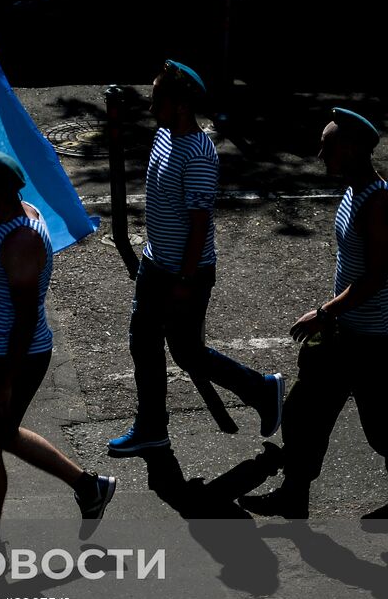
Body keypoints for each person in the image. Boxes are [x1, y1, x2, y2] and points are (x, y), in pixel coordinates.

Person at [241, 109, 388, 519]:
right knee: (304, 411)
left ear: (354, 150)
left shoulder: (381, 204)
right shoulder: (352, 190)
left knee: (386, 423)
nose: (320, 154)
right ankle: (294, 495)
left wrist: (324, 312)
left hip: (376, 337)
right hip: (346, 330)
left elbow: (376, 279)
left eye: (328, 147)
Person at [107, 61, 284, 456]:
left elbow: (201, 224)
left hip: (184, 274)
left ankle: (261, 390)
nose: (151, 109)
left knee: (186, 352)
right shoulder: (165, 136)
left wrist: (185, 283)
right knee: (144, 343)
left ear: (181, 104)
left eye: (158, 101)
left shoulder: (198, 154)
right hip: (157, 265)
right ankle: (152, 426)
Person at [0, 150, 116, 521]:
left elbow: (25, 318)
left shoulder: (20, 242)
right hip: (8, 353)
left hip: (15, 356)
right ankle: (89, 486)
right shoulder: (18, 216)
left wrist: (4, 381)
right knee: (1, 436)